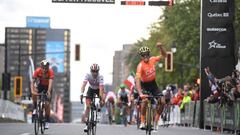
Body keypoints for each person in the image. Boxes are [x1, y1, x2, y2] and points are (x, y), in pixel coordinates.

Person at [135, 42, 166, 130]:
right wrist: (140, 93)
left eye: (146, 54)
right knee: (144, 101)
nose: (145, 56)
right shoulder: (140, 66)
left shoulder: (152, 59)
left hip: (153, 84)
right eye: (143, 55)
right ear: (141, 56)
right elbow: (137, 80)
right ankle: (142, 122)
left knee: (162, 101)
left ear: (149, 54)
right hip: (144, 85)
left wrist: (161, 47)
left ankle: (156, 120)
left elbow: (164, 55)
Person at [80, 63, 105, 132]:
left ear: (98, 71)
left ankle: (98, 110)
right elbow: (83, 85)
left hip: (98, 89)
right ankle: (87, 124)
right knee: (88, 106)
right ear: (91, 71)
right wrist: (82, 93)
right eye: (93, 71)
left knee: (102, 100)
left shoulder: (100, 76)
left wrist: (100, 97)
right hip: (90, 89)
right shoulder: (88, 75)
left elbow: (101, 88)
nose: (94, 73)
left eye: (96, 71)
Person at [31, 60, 54, 129]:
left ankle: (47, 121)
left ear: (48, 67)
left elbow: (50, 83)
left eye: (46, 68)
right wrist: (32, 91)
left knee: (47, 104)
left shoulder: (50, 72)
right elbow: (32, 82)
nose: (44, 69)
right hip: (40, 85)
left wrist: (49, 91)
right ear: (41, 67)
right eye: (43, 68)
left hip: (48, 87)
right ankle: (35, 108)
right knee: (34, 94)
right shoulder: (37, 71)